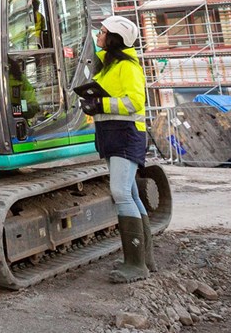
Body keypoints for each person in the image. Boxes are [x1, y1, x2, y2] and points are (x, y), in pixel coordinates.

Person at [90, 14, 154, 283]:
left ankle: (135, 265)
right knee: (131, 194)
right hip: (112, 135)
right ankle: (143, 259)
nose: (98, 36)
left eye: (103, 32)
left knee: (120, 192)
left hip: (127, 136)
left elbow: (135, 102)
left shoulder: (127, 66)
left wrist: (101, 105)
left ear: (114, 38)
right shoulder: (109, 65)